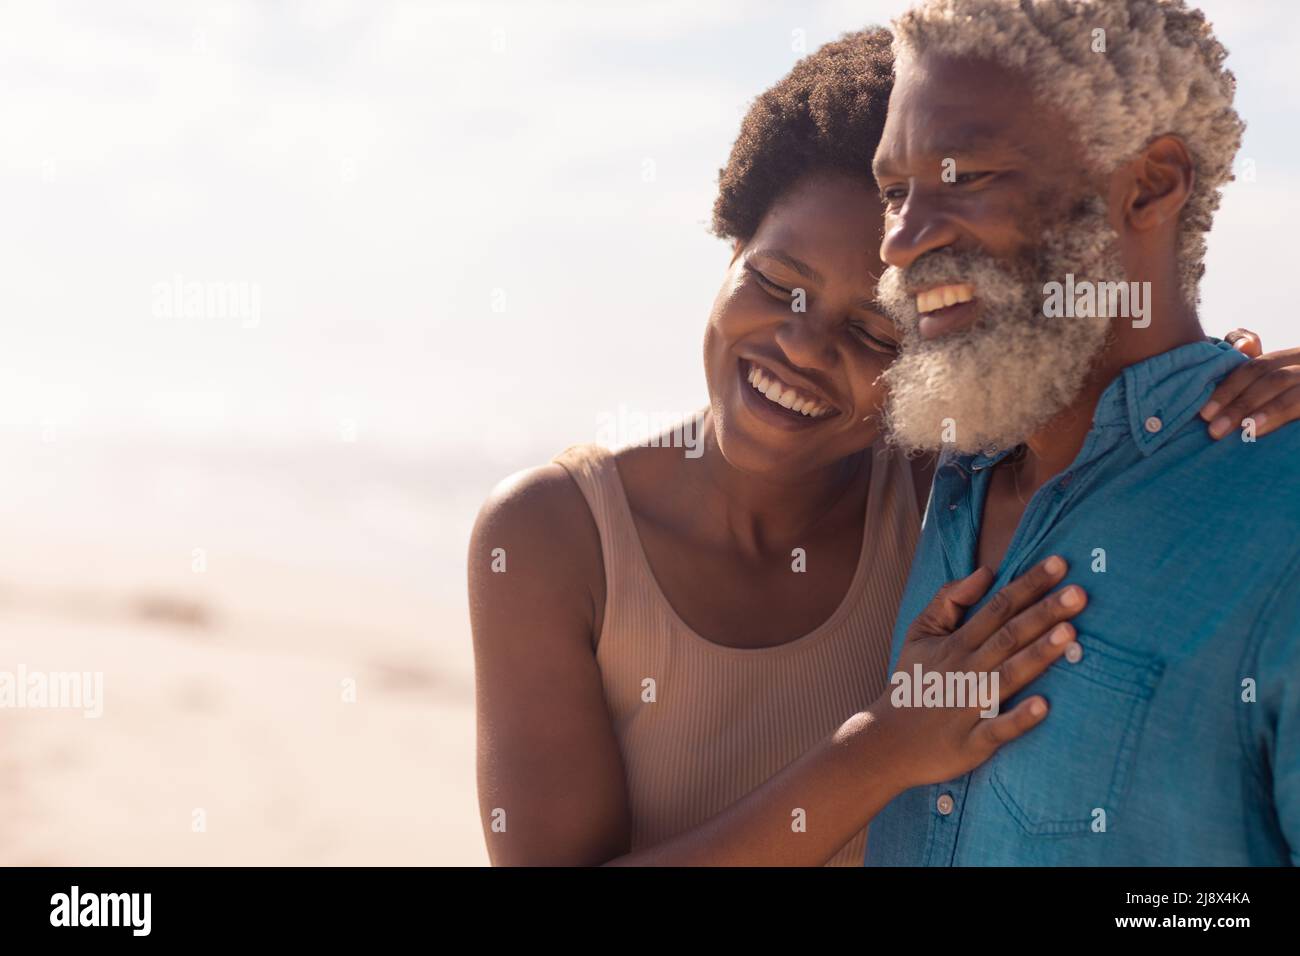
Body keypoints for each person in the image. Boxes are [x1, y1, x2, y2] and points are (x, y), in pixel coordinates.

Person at [470, 26, 1300, 867]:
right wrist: (880, 749)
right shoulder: (553, 533)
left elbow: (1109, 356)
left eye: (872, 329)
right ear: (730, 249)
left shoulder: (942, 479)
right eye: (772, 283)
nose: (800, 345)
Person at [865, 0, 1300, 866]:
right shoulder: (941, 481)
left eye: (968, 176)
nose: (902, 242)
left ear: (1149, 184)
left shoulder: (1280, 517)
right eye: (893, 193)